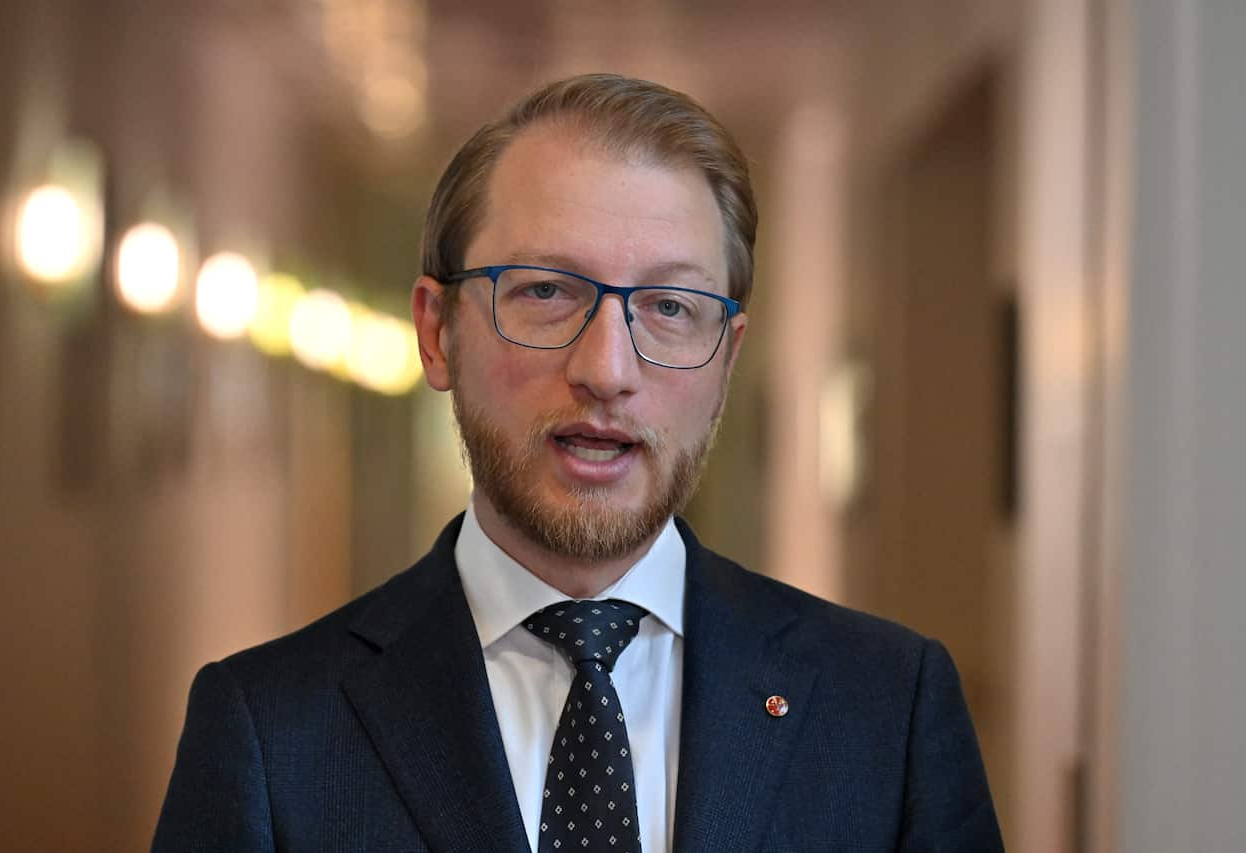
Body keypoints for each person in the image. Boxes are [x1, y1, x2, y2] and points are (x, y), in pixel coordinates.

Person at [152, 73, 1003, 853]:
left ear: (726, 360)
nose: (607, 369)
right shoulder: (269, 730)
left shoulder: (889, 709)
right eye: (547, 291)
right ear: (435, 331)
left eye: (670, 306)